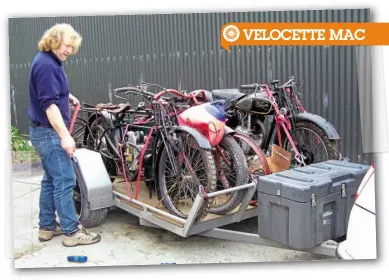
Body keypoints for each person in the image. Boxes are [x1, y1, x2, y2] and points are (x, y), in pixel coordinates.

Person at [28, 23, 101, 247]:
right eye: (67, 46)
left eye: (72, 47)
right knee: (65, 180)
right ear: (54, 41)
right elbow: (49, 105)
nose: (69, 51)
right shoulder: (47, 65)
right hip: (49, 133)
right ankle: (71, 232)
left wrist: (66, 95)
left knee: (50, 180)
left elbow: (48, 91)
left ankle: (47, 227)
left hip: (41, 131)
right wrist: (65, 136)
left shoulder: (47, 60)